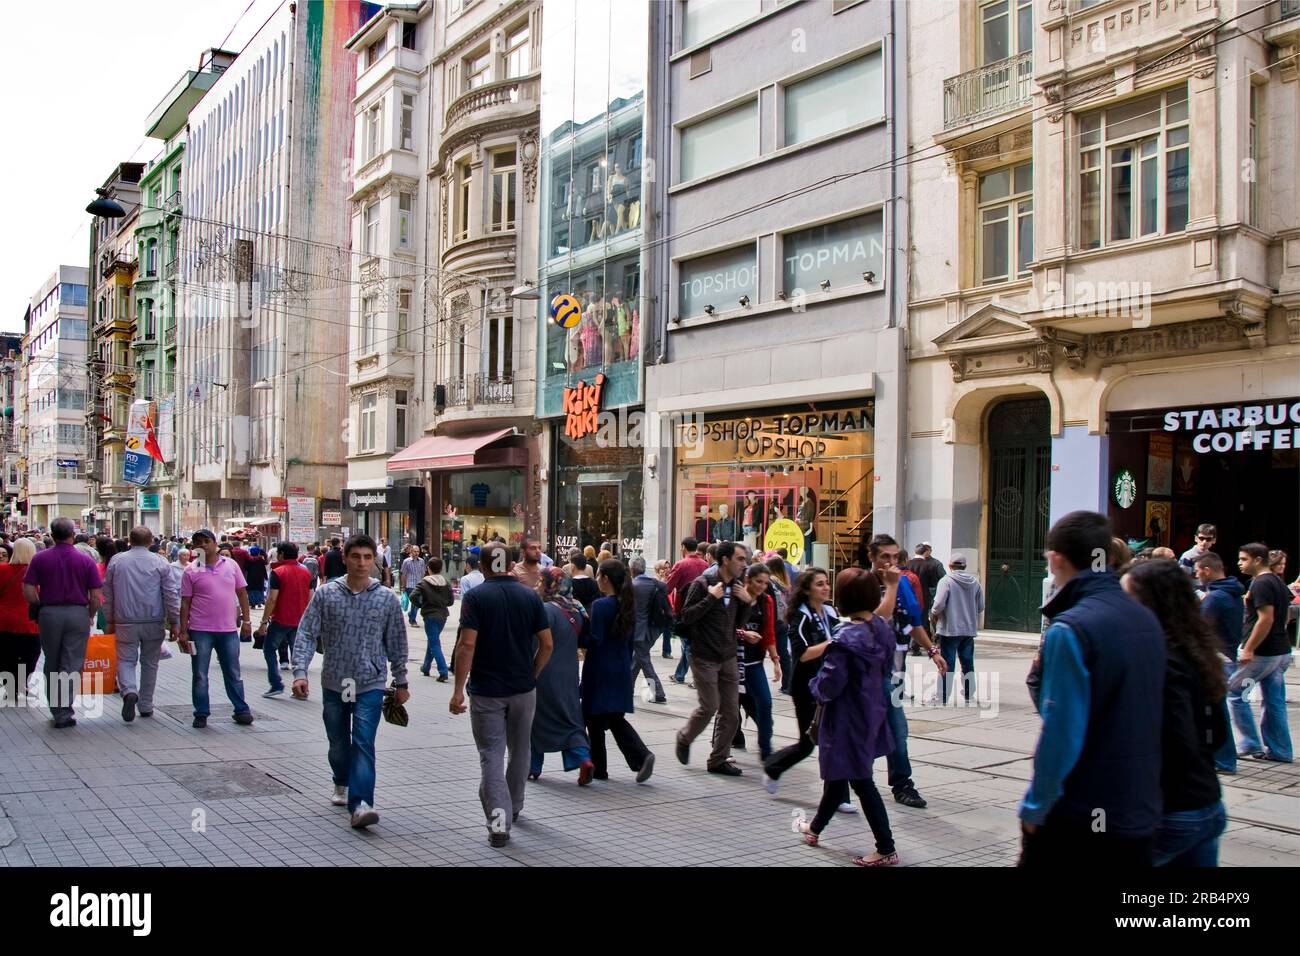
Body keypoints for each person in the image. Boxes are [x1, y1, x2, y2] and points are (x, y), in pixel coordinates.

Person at [1018, 511, 1166, 867]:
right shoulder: (1145, 617)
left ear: (1056, 558)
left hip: (1083, 809)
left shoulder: (1070, 629)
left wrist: (1036, 806)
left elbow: (1062, 732)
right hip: (1139, 805)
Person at [292, 534, 409, 830]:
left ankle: (362, 804)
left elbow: (396, 640)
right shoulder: (326, 594)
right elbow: (306, 633)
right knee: (338, 742)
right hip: (335, 681)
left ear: (375, 561)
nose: (361, 563)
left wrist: (401, 680)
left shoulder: (386, 598)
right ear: (344, 558)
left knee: (363, 742)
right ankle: (341, 780)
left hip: (370, 681)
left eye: (367, 557)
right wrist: (300, 672)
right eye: (355, 556)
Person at [1122, 560, 1228, 866]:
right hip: (1207, 804)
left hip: (1172, 812)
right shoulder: (1196, 651)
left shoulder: (1163, 662)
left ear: (1154, 604)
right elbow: (1217, 733)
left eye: (1129, 600)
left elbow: (1177, 740)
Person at [449, 542, 554, 847]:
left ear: (481, 567)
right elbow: (547, 644)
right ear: (511, 564)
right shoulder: (530, 597)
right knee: (521, 751)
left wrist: (457, 690)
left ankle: (498, 822)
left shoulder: (476, 597)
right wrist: (532, 674)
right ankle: (514, 807)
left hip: (486, 691)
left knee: (491, 756)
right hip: (523, 689)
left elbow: (466, 645)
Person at [796, 567, 900, 866]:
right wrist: (891, 585)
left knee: (859, 780)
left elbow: (829, 684)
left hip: (845, 717)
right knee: (839, 774)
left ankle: (886, 847)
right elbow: (884, 614)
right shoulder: (880, 628)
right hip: (872, 710)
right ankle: (814, 828)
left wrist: (812, 686)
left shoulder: (844, 639)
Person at [865, 533, 946, 808]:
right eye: (884, 557)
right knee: (859, 730)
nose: (891, 562)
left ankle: (902, 784)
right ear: (872, 558)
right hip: (864, 672)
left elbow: (912, 623)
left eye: (895, 557)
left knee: (897, 730)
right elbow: (876, 620)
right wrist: (890, 587)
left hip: (891, 672)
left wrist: (933, 651)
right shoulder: (860, 582)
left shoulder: (901, 583)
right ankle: (845, 782)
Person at [675, 541, 752, 776]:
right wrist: (710, 599)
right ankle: (685, 737)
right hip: (704, 656)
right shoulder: (703, 584)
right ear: (726, 560)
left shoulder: (738, 587)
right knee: (709, 706)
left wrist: (747, 602)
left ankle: (718, 759)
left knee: (731, 712)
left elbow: (738, 623)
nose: (744, 564)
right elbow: (686, 617)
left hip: (728, 655)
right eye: (740, 559)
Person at [21, 517, 103, 728]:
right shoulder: (86, 561)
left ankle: (55, 708)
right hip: (77, 613)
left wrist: (39, 606)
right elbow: (95, 596)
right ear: (72, 535)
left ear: (52, 534)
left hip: (49, 613)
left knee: (51, 660)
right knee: (72, 662)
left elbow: (28, 589)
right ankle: (64, 710)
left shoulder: (40, 559)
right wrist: (89, 614)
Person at [763, 567, 837, 793]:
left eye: (826, 583)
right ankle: (774, 766)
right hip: (806, 687)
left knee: (833, 742)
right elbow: (802, 653)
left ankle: (838, 793)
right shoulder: (800, 615)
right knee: (807, 744)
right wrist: (832, 643)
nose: (825, 588)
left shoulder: (831, 612)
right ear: (806, 589)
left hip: (830, 686)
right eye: (819, 584)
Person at [582, 559, 655, 782]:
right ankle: (636, 758)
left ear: (605, 579)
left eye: (598, 576)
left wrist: (583, 629)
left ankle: (607, 765)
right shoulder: (628, 605)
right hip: (621, 666)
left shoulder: (601, 606)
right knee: (614, 718)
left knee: (593, 718)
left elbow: (595, 640)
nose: (596, 580)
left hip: (599, 669)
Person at [177, 529, 254, 729]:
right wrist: (183, 631)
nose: (202, 545)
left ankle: (241, 710)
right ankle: (201, 713)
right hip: (200, 629)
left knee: (233, 672)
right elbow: (185, 603)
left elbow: (242, 594)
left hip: (228, 630)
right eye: (198, 543)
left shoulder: (231, 565)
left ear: (214, 543)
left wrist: (247, 622)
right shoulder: (191, 570)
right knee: (200, 674)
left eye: (206, 541)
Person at [102, 526, 179, 722]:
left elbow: (108, 593)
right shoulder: (160, 562)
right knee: (150, 663)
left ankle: (129, 691)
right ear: (151, 541)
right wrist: (175, 621)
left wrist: (109, 619)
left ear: (129, 540)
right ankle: (145, 705)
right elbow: (170, 593)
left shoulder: (117, 561)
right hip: (153, 620)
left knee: (126, 660)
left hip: (124, 620)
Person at [1228, 543, 1293, 763]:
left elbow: (1266, 618)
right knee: (1274, 700)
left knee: (1235, 693)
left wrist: (1249, 648)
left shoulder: (1262, 583)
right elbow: (1284, 617)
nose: (1239, 563)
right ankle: (1280, 750)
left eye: (1243, 559)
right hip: (1280, 651)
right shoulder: (1276, 581)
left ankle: (1249, 742)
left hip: (1263, 654)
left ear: (1257, 560)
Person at [530, 569, 594, 784]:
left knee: (536, 719)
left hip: (544, 671)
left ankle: (532, 765)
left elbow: (536, 642)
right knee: (570, 717)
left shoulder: (546, 610)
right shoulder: (576, 610)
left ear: (551, 585)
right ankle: (583, 758)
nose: (538, 585)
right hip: (568, 672)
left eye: (541, 582)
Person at [1195, 553, 1245, 773]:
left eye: (1198, 571)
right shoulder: (1233, 593)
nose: (1196, 575)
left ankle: (1224, 760)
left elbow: (1199, 628)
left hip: (1216, 658)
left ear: (1206, 570)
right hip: (1228, 656)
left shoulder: (1215, 598)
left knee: (1215, 710)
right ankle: (1225, 759)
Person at [255, 542, 315, 697]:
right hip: (300, 619)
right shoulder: (306, 572)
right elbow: (311, 597)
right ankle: (301, 687)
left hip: (281, 619)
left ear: (280, 554)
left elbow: (272, 599)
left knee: (269, 649)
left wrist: (263, 621)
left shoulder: (278, 572)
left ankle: (276, 684)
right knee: (298, 654)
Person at [734, 563, 781, 761]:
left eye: (765, 582)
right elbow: (724, 626)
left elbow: (769, 632)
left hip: (754, 662)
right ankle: (729, 743)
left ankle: (765, 748)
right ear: (748, 579)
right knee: (729, 707)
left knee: (765, 702)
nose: (762, 586)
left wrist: (776, 661)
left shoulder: (766, 601)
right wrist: (743, 634)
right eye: (758, 581)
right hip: (732, 661)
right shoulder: (736, 597)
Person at [929, 554, 984, 705]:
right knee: (967, 662)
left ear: (950, 565)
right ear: (964, 566)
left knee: (947, 663)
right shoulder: (975, 582)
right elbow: (980, 607)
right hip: (968, 630)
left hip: (949, 629)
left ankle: (943, 696)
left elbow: (938, 605)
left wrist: (934, 614)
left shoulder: (946, 581)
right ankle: (968, 694)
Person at [0, 538, 41, 705]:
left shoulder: (2, 570)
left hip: (4, 620)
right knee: (30, 654)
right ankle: (21, 683)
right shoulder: (37, 572)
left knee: (5, 655)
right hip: (29, 621)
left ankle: (10, 687)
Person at [665, 537, 707, 685]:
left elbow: (668, 588)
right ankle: (680, 674)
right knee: (689, 643)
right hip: (702, 609)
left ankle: (699, 678)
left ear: (683, 547)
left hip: (683, 609)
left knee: (688, 644)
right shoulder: (705, 565)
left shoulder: (681, 565)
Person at [630, 557, 669, 704]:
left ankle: (658, 692)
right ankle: (627, 688)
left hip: (640, 631)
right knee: (637, 659)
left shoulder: (633, 585)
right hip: (655, 628)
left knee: (643, 660)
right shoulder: (656, 584)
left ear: (632, 569)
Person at [414, 557, 454, 681]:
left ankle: (442, 671)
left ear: (428, 568)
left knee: (434, 643)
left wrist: (421, 605)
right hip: (442, 616)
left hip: (430, 615)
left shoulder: (424, 583)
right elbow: (451, 601)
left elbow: (413, 596)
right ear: (441, 568)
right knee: (432, 640)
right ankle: (426, 667)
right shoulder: (446, 583)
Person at [765, 554, 794, 693]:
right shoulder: (785, 583)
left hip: (773, 620)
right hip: (783, 621)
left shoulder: (770, 582)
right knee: (783, 653)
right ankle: (788, 684)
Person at [908, 542, 947, 615]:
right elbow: (934, 583)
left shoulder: (908, 564)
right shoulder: (931, 565)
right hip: (926, 598)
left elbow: (943, 579)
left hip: (912, 597)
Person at [400, 546, 425, 625]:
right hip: (409, 585)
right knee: (414, 602)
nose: (417, 553)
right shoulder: (406, 561)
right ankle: (413, 620)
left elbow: (423, 573)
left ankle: (411, 614)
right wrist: (403, 586)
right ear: (411, 551)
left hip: (419, 584)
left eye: (418, 551)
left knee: (419, 602)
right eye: (415, 551)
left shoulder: (421, 561)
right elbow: (403, 574)